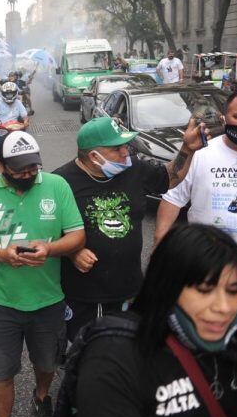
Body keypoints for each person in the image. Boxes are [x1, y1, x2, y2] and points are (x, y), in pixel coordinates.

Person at [73, 224, 237, 417]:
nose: (223, 307)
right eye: (204, 290)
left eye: (233, 291)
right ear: (168, 287)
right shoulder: (115, 355)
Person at [0, 131, 85, 417]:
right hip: (2, 302)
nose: (28, 175)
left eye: (33, 169)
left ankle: (41, 397)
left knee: (47, 364)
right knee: (2, 371)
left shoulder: (56, 186)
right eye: (20, 171)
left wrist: (50, 249)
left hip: (49, 300)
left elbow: (77, 236)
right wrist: (2, 256)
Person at [54, 116, 206, 342]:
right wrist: (71, 251)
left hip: (128, 286)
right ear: (94, 156)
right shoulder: (60, 182)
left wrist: (188, 148)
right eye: (117, 149)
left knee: (125, 347)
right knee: (84, 350)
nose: (126, 152)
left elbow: (169, 178)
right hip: (83, 291)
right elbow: (45, 231)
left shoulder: (133, 168)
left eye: (125, 145)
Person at [155, 90, 237, 257]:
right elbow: (173, 199)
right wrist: (159, 244)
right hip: (207, 261)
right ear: (224, 118)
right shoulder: (200, 153)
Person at [0, 82, 29, 158]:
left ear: (15, 93)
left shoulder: (18, 103)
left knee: (28, 146)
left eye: (11, 93)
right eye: (6, 93)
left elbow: (25, 116)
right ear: (2, 93)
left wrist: (26, 122)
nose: (9, 95)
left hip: (14, 131)